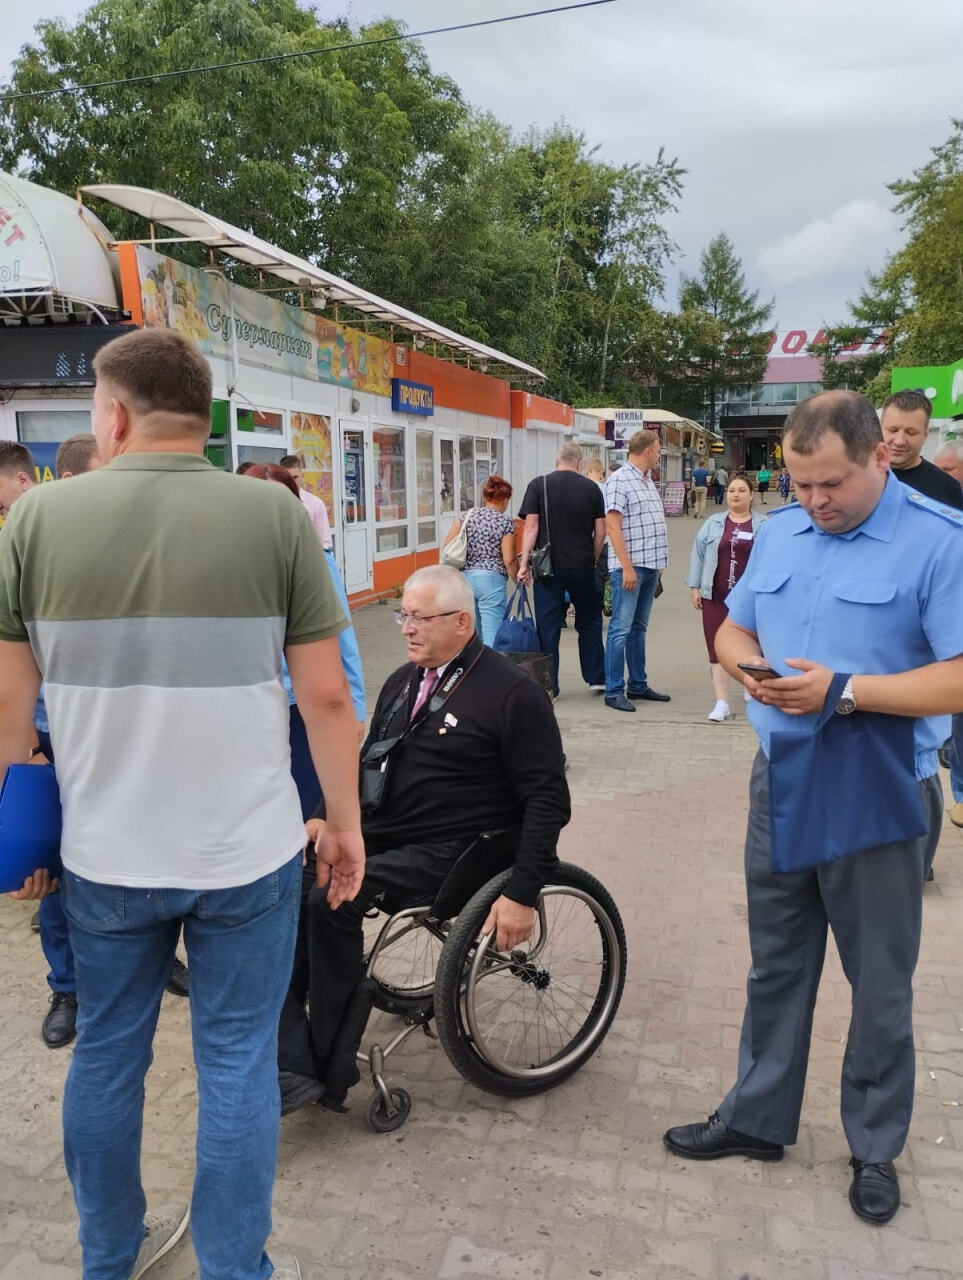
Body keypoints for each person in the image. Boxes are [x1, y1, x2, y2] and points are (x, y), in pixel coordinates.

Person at [0, 327, 363, 1280]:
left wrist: (19, 836)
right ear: (202, 418)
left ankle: (106, 1261)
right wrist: (346, 824)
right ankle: (235, 1267)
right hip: (246, 856)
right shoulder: (276, 518)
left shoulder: (33, 524)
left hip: (106, 856)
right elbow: (328, 697)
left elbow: (6, 726)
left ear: (113, 415)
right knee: (237, 1063)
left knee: (109, 1056)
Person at [663, 390, 963, 1226]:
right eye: (797, 485)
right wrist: (749, 663)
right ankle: (757, 1119)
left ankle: (873, 1147)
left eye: (829, 484)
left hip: (876, 784)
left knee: (878, 981)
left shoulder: (937, 544)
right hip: (782, 775)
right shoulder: (785, 531)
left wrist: (846, 691)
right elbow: (730, 626)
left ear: (878, 457)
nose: (814, 502)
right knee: (778, 963)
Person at [277, 565, 570, 1113]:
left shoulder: (513, 693)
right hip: (386, 832)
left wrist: (523, 892)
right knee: (283, 887)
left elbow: (549, 802)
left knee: (331, 899)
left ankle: (325, 1062)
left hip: (458, 851)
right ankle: (286, 1050)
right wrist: (322, 816)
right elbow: (365, 758)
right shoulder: (403, 680)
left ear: (463, 622)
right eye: (403, 615)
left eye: (420, 618)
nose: (407, 628)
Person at [244, 462, 367, 813]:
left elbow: (343, 640)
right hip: (251, 706)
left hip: (302, 707)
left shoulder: (315, 561)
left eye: (285, 505)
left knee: (307, 807)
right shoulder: (231, 564)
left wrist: (355, 709)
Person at [517, 443, 605, 697]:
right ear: (579, 464)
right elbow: (601, 531)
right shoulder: (592, 488)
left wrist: (524, 566)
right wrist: (593, 557)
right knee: (589, 620)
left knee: (548, 625)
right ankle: (596, 677)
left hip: (548, 568)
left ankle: (548, 685)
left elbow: (531, 528)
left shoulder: (538, 485)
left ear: (557, 462)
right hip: (583, 567)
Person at [687, 474, 764, 722]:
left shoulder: (764, 526)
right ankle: (721, 702)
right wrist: (695, 587)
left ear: (751, 495)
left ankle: (749, 687)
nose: (736, 495)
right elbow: (698, 554)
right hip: (715, 596)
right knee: (716, 647)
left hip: (751, 599)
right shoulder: (713, 523)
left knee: (751, 645)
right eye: (731, 490)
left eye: (742, 490)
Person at [602, 429, 670, 712]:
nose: (659, 454)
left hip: (650, 565)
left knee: (638, 628)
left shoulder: (647, 480)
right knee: (620, 628)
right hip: (629, 568)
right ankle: (613, 689)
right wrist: (626, 567)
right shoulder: (620, 480)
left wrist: (659, 563)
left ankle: (638, 684)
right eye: (657, 449)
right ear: (647, 452)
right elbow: (612, 526)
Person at [442, 474, 517, 646]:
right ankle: (491, 672)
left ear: (485, 497)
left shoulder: (466, 516)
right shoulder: (505, 522)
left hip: (466, 580)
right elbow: (509, 559)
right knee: (493, 637)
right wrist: (518, 579)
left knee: (473, 637)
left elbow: (448, 544)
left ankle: (474, 670)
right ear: (505, 500)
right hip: (491, 582)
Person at [880, 389, 963, 510]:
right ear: (879, 428)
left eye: (911, 432)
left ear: (925, 434)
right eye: (893, 430)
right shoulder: (856, 476)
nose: (899, 441)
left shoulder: (947, 488)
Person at [280, 452, 335, 549]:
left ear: (302, 475)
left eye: (295, 477)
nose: (292, 482)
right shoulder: (274, 503)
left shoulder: (315, 504)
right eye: (288, 478)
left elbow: (325, 544)